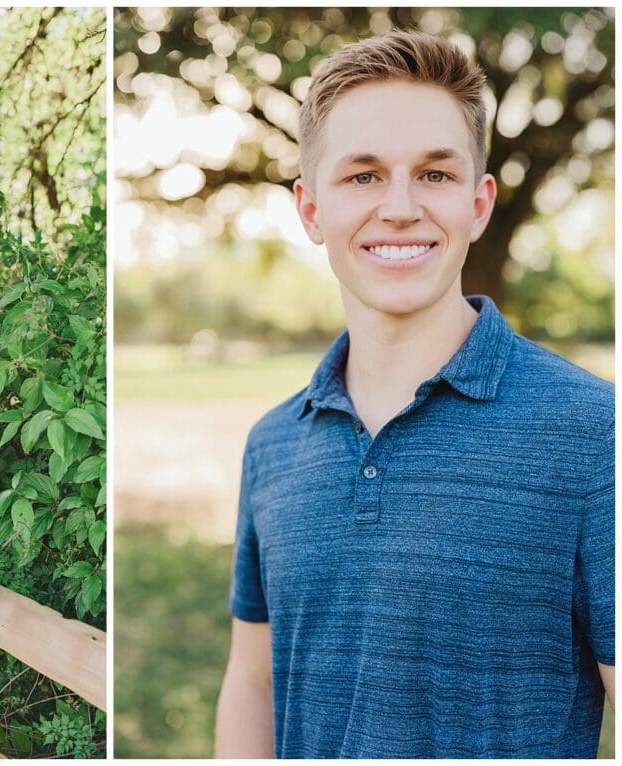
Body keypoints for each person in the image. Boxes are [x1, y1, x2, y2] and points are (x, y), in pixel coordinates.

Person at [215, 31, 614, 758]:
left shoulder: (595, 432)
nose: (399, 208)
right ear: (310, 210)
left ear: (479, 203)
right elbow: (253, 681)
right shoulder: (272, 445)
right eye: (362, 177)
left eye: (433, 175)